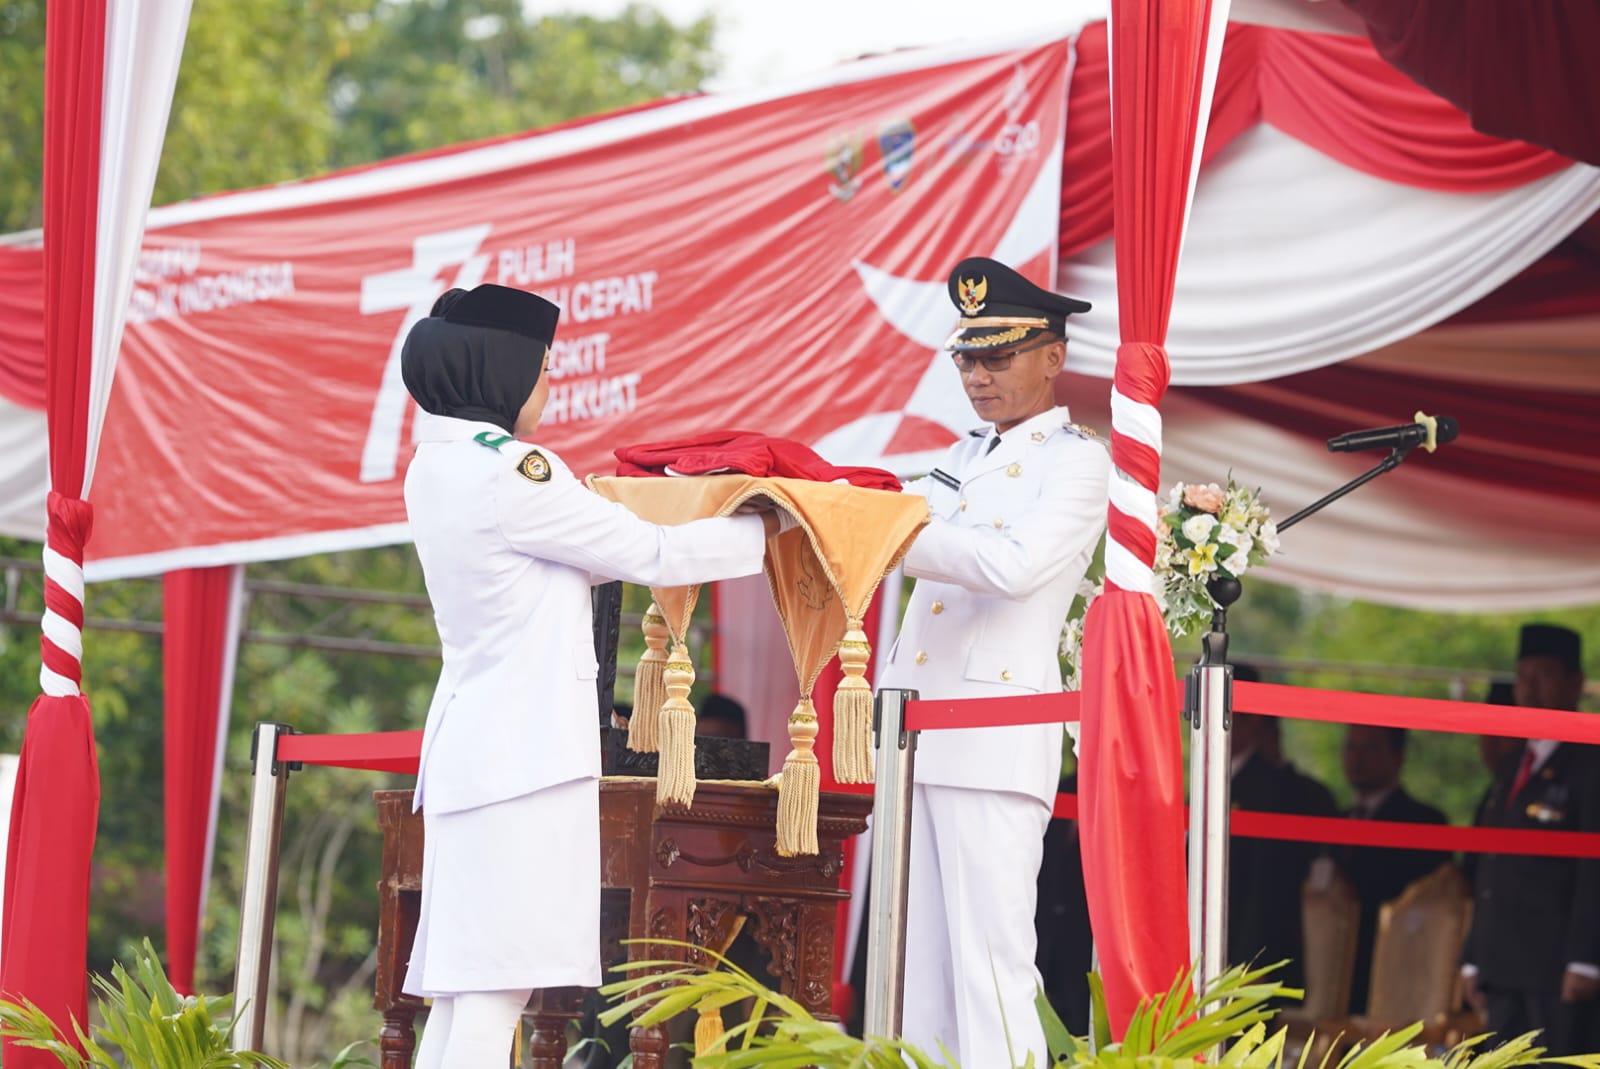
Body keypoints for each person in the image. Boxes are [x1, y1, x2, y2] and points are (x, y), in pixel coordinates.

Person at [398, 283, 783, 1069]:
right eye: (543, 366)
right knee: (494, 987)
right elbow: (651, 553)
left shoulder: (437, 463)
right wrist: (770, 529)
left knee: (470, 990)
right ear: (501, 371)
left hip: (482, 752)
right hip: (520, 762)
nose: (549, 384)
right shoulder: (512, 470)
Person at [877, 256, 1107, 1067]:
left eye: (997, 355)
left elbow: (1013, 568)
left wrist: (883, 526)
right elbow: (899, 518)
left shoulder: (1076, 461)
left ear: (1053, 356)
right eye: (967, 357)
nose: (977, 374)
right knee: (914, 979)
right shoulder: (960, 451)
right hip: (916, 729)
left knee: (990, 971)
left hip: (992, 731)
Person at [1462, 624, 1600, 1056]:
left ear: (1575, 683)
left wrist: (1586, 958)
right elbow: (1490, 867)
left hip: (1556, 967)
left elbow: (1593, 867)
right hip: (1501, 962)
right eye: (1523, 676)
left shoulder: (1590, 760)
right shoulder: (1511, 767)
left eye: (1544, 674)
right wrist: (1473, 956)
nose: (1531, 688)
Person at [1227, 665, 1339, 994]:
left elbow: (1265, 885)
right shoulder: (1222, 778)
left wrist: (1253, 962)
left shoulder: (1270, 788)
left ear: (1251, 720)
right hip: (1213, 948)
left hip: (1245, 959)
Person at [1336, 725, 1449, 1013]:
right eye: (1351, 747)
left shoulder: (1424, 823)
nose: (1357, 758)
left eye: (1370, 748)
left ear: (1397, 757)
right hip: (1333, 972)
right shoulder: (1334, 819)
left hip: (1395, 972)